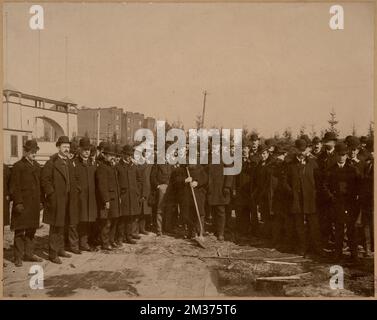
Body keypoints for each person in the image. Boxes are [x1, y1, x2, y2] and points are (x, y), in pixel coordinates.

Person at [41, 136, 80, 264]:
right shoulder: (51, 162)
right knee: (55, 227)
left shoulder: (69, 162)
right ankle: (53, 254)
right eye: (64, 147)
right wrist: (51, 194)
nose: (67, 149)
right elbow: (45, 180)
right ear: (58, 147)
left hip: (68, 200)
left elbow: (74, 179)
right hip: (57, 200)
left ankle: (61, 249)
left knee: (64, 225)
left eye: (68, 147)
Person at [9, 140, 44, 266]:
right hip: (22, 205)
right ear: (26, 152)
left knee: (31, 230)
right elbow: (14, 186)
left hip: (33, 205)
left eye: (35, 152)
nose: (34, 154)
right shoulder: (18, 166)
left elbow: (41, 186)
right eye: (31, 152)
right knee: (19, 231)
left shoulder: (37, 166)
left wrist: (41, 201)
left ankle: (29, 254)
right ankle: (17, 256)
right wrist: (18, 203)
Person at [324, 142, 359, 262]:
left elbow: (359, 185)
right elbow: (325, 186)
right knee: (338, 230)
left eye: (344, 155)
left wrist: (354, 199)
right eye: (339, 155)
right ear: (336, 155)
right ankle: (337, 254)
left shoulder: (352, 169)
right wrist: (331, 197)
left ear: (346, 155)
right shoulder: (331, 170)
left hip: (350, 204)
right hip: (336, 203)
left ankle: (354, 255)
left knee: (351, 229)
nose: (341, 157)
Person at [286, 139, 322, 257]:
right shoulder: (290, 165)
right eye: (299, 150)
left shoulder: (313, 163)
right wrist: (291, 192)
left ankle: (317, 248)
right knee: (299, 225)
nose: (301, 153)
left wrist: (315, 193)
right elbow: (284, 181)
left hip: (310, 199)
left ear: (307, 150)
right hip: (297, 200)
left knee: (314, 225)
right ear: (296, 150)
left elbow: (319, 180)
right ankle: (303, 247)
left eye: (303, 150)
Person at [95, 143, 121, 250]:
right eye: (109, 155)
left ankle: (111, 240)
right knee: (107, 222)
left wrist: (118, 196)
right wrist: (106, 200)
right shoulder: (102, 167)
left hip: (115, 198)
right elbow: (102, 185)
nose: (112, 157)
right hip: (108, 199)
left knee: (114, 220)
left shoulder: (112, 167)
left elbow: (116, 183)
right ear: (104, 155)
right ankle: (105, 243)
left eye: (113, 155)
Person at [74, 138, 98, 251]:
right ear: (80, 150)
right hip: (80, 197)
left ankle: (85, 242)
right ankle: (77, 244)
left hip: (91, 197)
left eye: (88, 150)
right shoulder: (75, 164)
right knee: (80, 221)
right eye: (84, 150)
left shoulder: (92, 164)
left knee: (88, 221)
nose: (87, 152)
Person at [206, 145, 233, 242]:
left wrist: (227, 186)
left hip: (221, 189)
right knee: (213, 210)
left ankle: (221, 233)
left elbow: (230, 173)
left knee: (220, 211)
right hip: (212, 189)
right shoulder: (209, 157)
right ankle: (215, 229)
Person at [316, 131, 338, 250]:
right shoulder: (321, 156)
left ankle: (338, 243)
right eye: (325, 141)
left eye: (329, 141)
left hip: (334, 192)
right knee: (324, 219)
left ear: (334, 142)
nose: (327, 143)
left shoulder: (338, 155)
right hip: (322, 193)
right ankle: (326, 241)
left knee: (335, 219)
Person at [175, 163, 208, 239]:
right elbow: (176, 179)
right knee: (188, 214)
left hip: (198, 195)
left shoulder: (200, 168)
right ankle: (191, 232)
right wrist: (185, 180)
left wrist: (197, 182)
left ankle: (200, 232)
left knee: (199, 213)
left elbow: (206, 179)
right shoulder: (182, 169)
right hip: (187, 196)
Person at [117, 144, 142, 244]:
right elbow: (116, 181)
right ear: (123, 154)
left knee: (131, 217)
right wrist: (119, 193)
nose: (129, 157)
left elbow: (139, 180)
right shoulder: (118, 166)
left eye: (130, 155)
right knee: (122, 218)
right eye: (127, 155)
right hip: (123, 196)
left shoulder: (134, 166)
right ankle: (120, 237)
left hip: (133, 196)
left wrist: (137, 191)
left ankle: (129, 236)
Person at [271, 144, 294, 251]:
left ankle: (288, 243)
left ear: (285, 154)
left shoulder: (289, 165)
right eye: (276, 154)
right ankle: (277, 242)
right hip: (277, 197)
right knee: (278, 221)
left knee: (288, 222)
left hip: (287, 197)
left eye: (280, 154)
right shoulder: (274, 165)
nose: (277, 157)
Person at [253, 144, 275, 241]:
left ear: (268, 153)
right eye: (261, 154)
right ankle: (266, 234)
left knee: (271, 214)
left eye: (264, 153)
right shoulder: (259, 165)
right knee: (264, 213)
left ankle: (272, 235)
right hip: (261, 193)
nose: (263, 156)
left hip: (270, 193)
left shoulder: (272, 164)